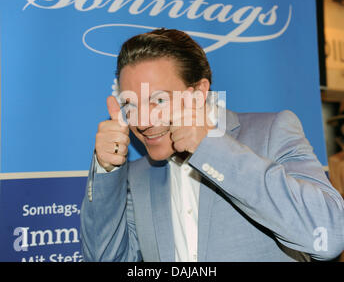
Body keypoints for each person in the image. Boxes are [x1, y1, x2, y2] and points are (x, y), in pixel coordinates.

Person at [80, 28, 344, 262]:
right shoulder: (137, 175)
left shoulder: (271, 132)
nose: (143, 122)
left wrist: (210, 147)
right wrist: (106, 171)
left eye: (158, 101)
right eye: (130, 104)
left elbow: (328, 237)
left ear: (199, 92)